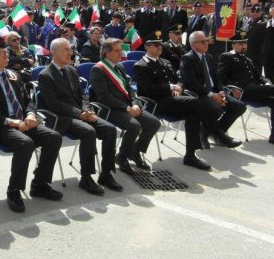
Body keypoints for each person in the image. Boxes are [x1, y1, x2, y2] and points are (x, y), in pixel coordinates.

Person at [0, 36, 63, 212]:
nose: (6, 55)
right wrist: (8, 121)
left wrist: (30, 114)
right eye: (1, 53)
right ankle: (14, 190)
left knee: (54, 137)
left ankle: (40, 183)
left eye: (6, 52)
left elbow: (28, 100)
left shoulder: (14, 75)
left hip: (22, 121)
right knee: (25, 144)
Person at [38, 38, 121, 193]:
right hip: (62, 117)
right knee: (88, 132)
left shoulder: (71, 70)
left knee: (110, 129)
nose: (70, 53)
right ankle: (86, 177)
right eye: (66, 50)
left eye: (70, 49)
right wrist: (79, 114)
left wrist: (87, 110)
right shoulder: (45, 75)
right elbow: (54, 104)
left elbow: (82, 95)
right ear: (54, 52)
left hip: (80, 113)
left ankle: (106, 173)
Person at [133, 32, 212, 170]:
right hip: (155, 103)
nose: (159, 47)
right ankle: (214, 130)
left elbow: (180, 78)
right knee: (195, 102)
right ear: (146, 47)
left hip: (173, 100)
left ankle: (190, 155)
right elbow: (149, 89)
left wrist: (179, 87)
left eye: (160, 44)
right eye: (155, 45)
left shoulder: (165, 62)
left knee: (192, 113)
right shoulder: (140, 66)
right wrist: (170, 87)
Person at [89, 38, 161, 172]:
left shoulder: (119, 66)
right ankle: (122, 158)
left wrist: (135, 104)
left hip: (127, 105)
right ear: (106, 52)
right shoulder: (98, 69)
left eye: (121, 50)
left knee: (154, 123)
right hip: (111, 109)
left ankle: (134, 152)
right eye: (117, 50)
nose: (121, 53)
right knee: (134, 126)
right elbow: (104, 96)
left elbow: (130, 90)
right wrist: (126, 108)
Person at [180, 31, 246, 149]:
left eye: (206, 40)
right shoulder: (188, 59)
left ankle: (207, 132)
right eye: (202, 41)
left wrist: (220, 91)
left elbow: (217, 78)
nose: (206, 43)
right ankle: (220, 137)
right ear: (193, 44)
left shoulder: (209, 57)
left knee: (239, 106)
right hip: (200, 94)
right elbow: (191, 83)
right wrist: (211, 95)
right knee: (216, 109)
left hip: (215, 92)